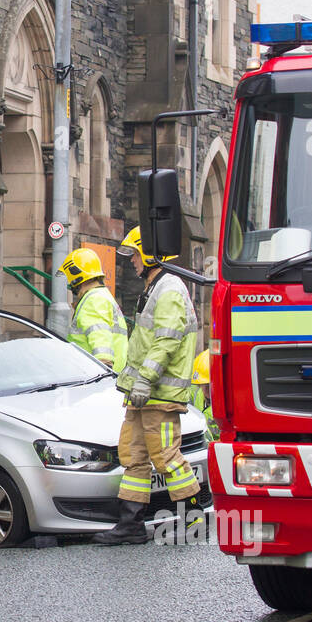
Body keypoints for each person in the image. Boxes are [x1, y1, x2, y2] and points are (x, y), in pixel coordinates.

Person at [93, 226, 205, 545]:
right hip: (143, 395)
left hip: (158, 393)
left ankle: (193, 517)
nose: (132, 262)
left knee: (166, 456)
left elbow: (166, 342)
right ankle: (131, 525)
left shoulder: (168, 289)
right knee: (133, 454)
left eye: (135, 255)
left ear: (150, 254)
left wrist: (145, 379)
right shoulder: (156, 287)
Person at [59, 247, 128, 373]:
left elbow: (100, 339)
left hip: (92, 375)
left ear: (76, 277)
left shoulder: (93, 300)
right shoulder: (102, 295)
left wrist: (103, 368)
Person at [189, 351, 220, 441]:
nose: (208, 389)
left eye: (212, 385)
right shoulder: (195, 394)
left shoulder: (232, 405)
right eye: (205, 385)